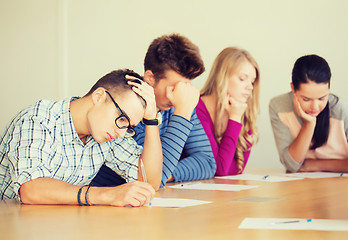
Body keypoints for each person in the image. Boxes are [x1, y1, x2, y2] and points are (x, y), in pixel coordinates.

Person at [0, 69, 163, 207]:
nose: (121, 133)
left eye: (129, 128)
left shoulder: (109, 134)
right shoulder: (38, 119)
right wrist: (106, 195)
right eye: (122, 119)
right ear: (99, 96)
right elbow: (30, 190)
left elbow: (148, 183)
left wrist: (151, 120)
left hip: (58, 225)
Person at [92, 33, 216, 187]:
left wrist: (167, 173)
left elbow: (208, 163)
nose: (181, 94)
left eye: (186, 86)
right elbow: (149, 177)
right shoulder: (129, 109)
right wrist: (182, 112)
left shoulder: (180, 105)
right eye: (176, 86)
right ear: (150, 78)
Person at [269, 54, 348, 173]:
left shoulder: (340, 109)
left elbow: (301, 167)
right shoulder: (279, 106)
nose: (315, 107)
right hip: (301, 184)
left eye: (322, 98)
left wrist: (316, 165)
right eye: (306, 99)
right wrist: (309, 124)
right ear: (293, 88)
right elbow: (292, 165)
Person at [196, 47, 260, 176]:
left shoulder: (240, 109)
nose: (250, 87)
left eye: (252, 81)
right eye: (242, 79)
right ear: (222, 76)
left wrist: (236, 116)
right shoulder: (197, 108)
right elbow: (220, 169)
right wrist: (235, 118)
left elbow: (237, 168)